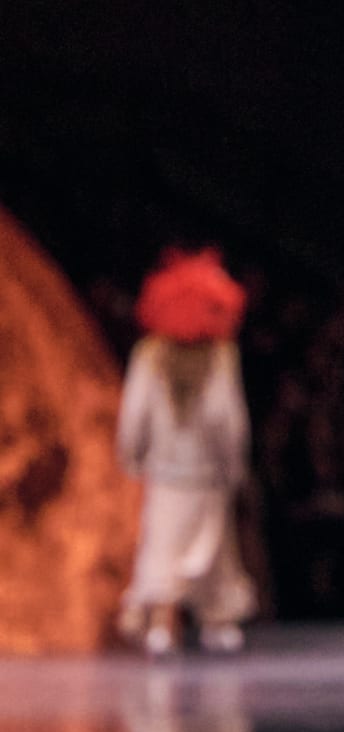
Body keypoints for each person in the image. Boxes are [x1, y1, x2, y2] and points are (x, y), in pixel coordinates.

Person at [117, 249, 256, 656]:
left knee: (163, 547)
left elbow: (134, 414)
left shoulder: (151, 355)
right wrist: (234, 465)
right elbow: (227, 419)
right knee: (211, 550)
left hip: (165, 473)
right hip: (206, 473)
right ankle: (217, 622)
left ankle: (161, 625)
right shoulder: (219, 357)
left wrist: (131, 455)